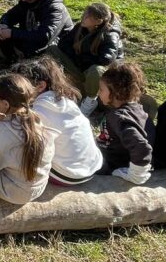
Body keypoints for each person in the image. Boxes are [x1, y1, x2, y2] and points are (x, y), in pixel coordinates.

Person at [8, 58, 102, 186]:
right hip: (91, 168)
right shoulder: (65, 101)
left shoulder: (38, 111)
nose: (16, 91)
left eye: (21, 87)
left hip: (67, 175)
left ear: (41, 86)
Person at [0, 73, 55, 204]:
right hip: (39, 186)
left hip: (16, 192)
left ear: (5, 104)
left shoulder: (2, 129)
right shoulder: (35, 120)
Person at [52, 2, 124, 116]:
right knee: (52, 50)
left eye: (87, 16)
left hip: (97, 76)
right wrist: (76, 56)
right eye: (84, 14)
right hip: (80, 68)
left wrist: (81, 57)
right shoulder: (80, 27)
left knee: (96, 70)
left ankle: (90, 100)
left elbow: (106, 59)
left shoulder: (110, 34)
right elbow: (63, 44)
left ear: (98, 21)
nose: (83, 17)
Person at [0, 0, 73, 63]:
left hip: (55, 46)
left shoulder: (54, 8)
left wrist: (12, 33)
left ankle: (23, 61)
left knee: (31, 45)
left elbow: (44, 37)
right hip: (33, 38)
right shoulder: (27, 1)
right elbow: (10, 16)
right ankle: (14, 61)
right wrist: (4, 25)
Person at [96, 63, 155, 185]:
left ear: (117, 92)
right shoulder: (138, 109)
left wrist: (136, 174)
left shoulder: (119, 117)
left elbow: (141, 147)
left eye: (101, 89)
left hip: (114, 164)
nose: (98, 93)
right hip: (119, 156)